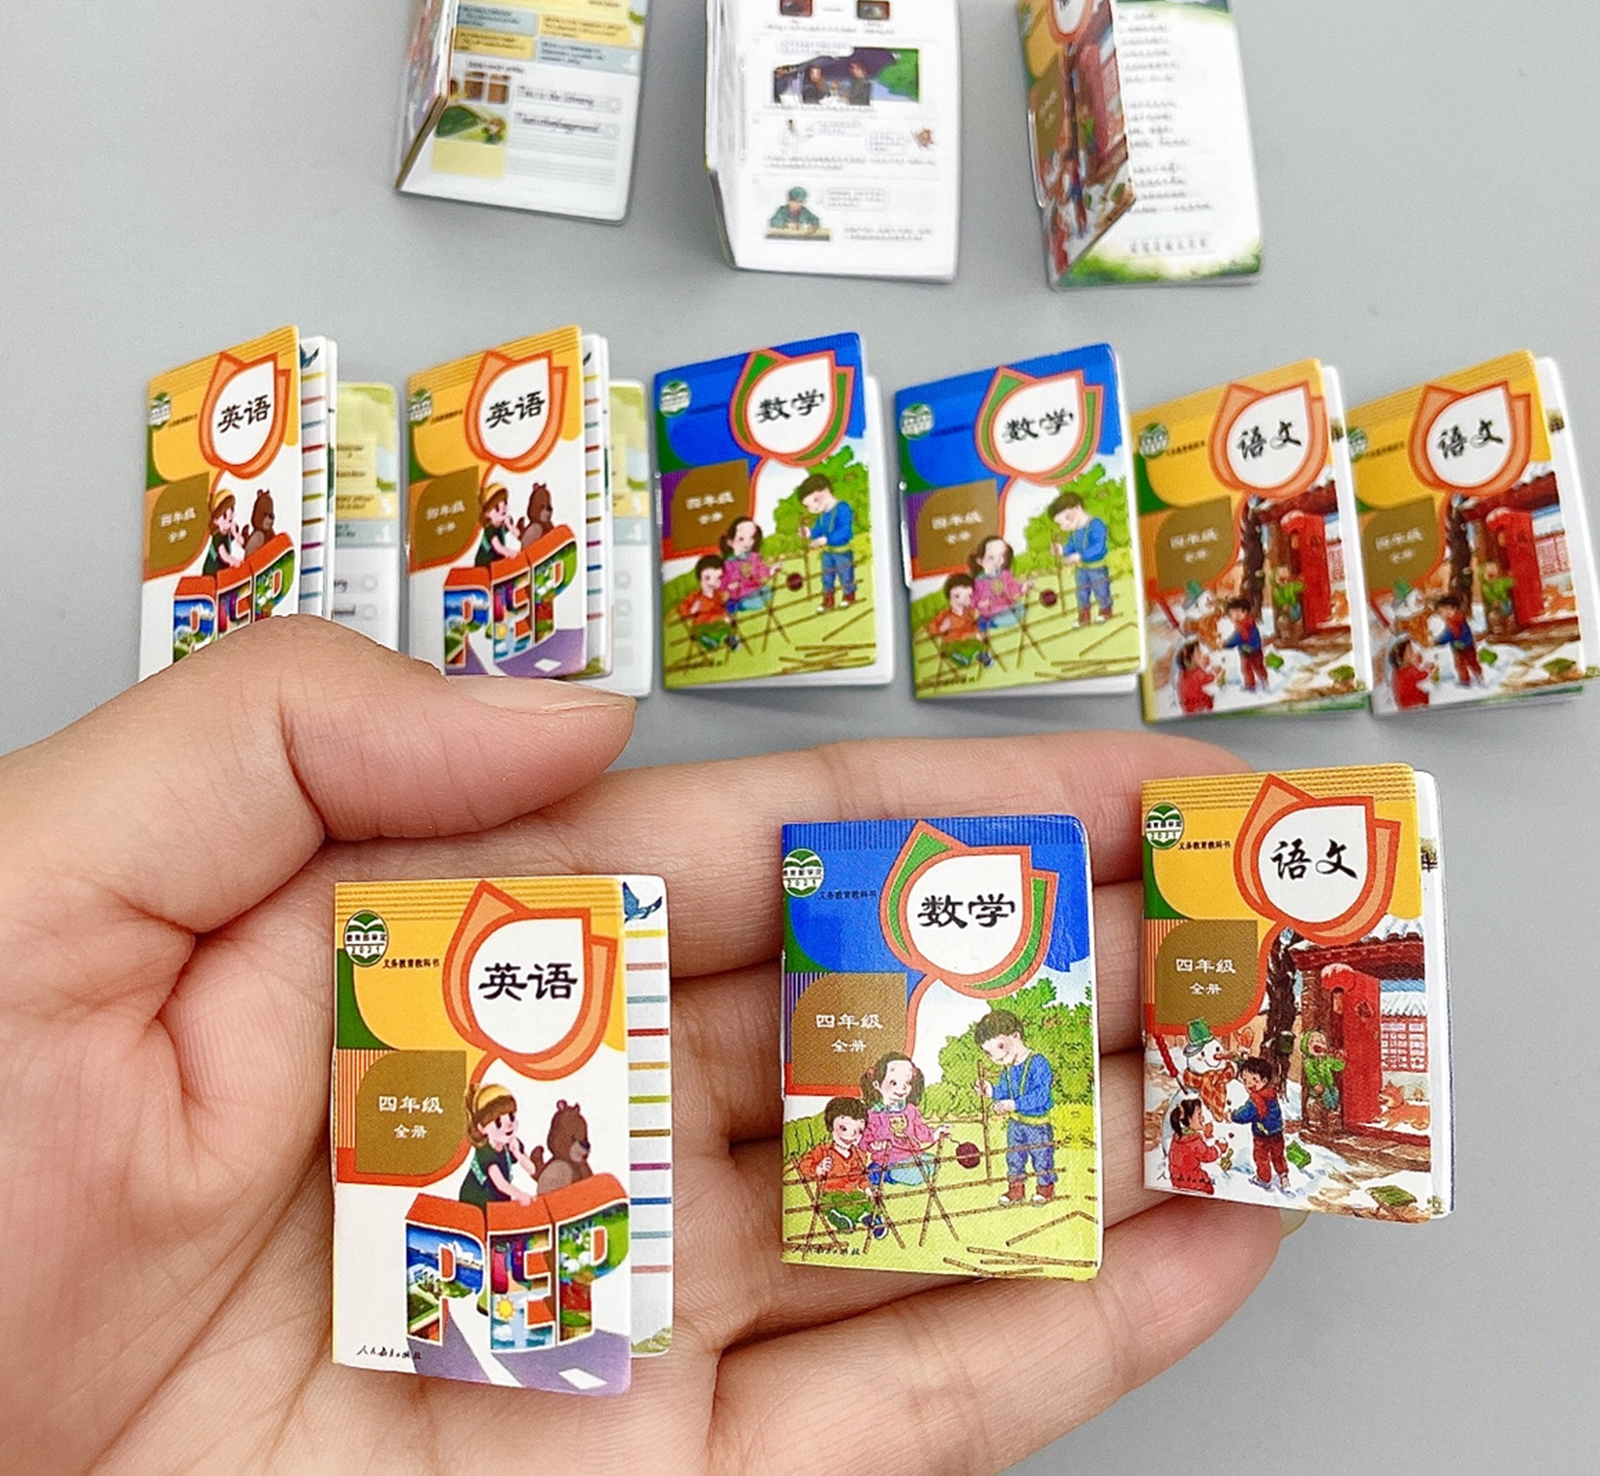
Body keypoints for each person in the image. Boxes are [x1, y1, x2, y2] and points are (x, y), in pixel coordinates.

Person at [0, 616, 1285, 1472]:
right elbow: (488, 1176)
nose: (504, 1121)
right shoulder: (485, 1146)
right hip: (480, 1270)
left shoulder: (955, 1075)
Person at [973, 1010, 1057, 1205]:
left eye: (1000, 1046)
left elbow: (1041, 1096)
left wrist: (1014, 1104)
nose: (997, 1056)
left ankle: (1045, 1190)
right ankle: (1016, 1191)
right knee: (1014, 1158)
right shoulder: (1008, 1069)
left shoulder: (1038, 1062)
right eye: (989, 1053)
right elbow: (1004, 1090)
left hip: (1037, 1125)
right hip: (1016, 1125)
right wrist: (991, 1091)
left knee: (1042, 1158)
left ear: (1015, 1036)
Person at [794, 1096, 885, 1236]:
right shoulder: (823, 1151)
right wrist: (817, 1169)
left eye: (859, 1131)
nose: (852, 1135)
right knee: (837, 1202)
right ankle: (839, 1218)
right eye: (844, 1128)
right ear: (831, 1127)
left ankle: (869, 1219)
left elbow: (861, 1176)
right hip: (830, 1193)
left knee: (866, 1202)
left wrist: (867, 1188)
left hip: (851, 1193)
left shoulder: (859, 1154)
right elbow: (803, 1165)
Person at [861, 1054, 948, 1185]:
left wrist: (936, 1133)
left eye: (907, 1083)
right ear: (877, 1085)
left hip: (912, 1155)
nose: (902, 1088)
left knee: (933, 1162)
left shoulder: (910, 1110)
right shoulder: (873, 1114)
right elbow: (863, 1137)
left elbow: (920, 1130)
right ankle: (883, 1174)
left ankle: (895, 1173)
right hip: (888, 1160)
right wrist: (872, 1145)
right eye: (894, 1083)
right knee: (918, 1173)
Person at [459, 1082, 535, 1208]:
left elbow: (532, 1169)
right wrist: (520, 1195)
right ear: (482, 1128)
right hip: (477, 1201)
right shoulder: (485, 1152)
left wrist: (518, 1154)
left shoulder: (511, 1143)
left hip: (499, 1197)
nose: (509, 1125)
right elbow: (500, 1183)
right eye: (498, 1122)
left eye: (511, 1117)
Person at [1048, 492, 1113, 624]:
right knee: (1081, 592)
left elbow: (1098, 546)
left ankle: (1105, 610)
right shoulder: (1075, 532)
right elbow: (1071, 546)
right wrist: (1061, 549)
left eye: (1067, 518)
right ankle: (1084, 616)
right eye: (1060, 524)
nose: (1065, 526)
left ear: (1077, 508)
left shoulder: (1095, 524)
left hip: (1097, 567)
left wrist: (1080, 555)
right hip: (1082, 569)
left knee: (1101, 590)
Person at [1232, 1056, 1292, 1194]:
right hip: (1277, 1133)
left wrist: (1233, 1115)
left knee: (1261, 1157)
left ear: (1264, 1081)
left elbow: (1244, 1115)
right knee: (1278, 1155)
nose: (1249, 1084)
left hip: (1261, 1136)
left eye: (1254, 1080)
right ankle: (1283, 1175)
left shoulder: (1255, 1100)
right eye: (1245, 1080)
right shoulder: (1271, 1094)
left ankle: (1264, 1179)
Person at [797, 472, 855, 611]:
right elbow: (818, 530)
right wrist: (809, 532)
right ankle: (828, 600)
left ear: (826, 491)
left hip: (842, 551)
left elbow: (845, 530)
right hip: (827, 554)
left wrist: (827, 539)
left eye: (815, 501)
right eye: (808, 506)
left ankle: (849, 596)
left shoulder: (842, 507)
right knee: (826, 577)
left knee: (845, 575)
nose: (813, 509)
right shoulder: (822, 516)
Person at [969, 535, 1031, 633]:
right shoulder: (979, 581)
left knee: (1022, 610)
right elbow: (973, 598)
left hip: (1008, 606)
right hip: (992, 612)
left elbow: (1013, 587)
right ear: (980, 561)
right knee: (1001, 618)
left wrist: (1023, 588)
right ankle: (989, 622)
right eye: (991, 557)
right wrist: (980, 603)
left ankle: (995, 622)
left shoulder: (1005, 574)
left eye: (1001, 556)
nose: (997, 561)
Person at [927, 573, 990, 668]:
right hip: (952, 641)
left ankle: (976, 656)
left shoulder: (970, 612)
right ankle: (960, 657)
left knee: (977, 644)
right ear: (954, 596)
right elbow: (931, 628)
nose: (969, 599)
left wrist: (976, 632)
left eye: (970, 595)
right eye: (966, 596)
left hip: (968, 639)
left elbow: (975, 624)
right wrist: (942, 628)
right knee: (951, 648)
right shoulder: (946, 615)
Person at [678, 554, 738, 651]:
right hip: (702, 624)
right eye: (717, 578)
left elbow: (721, 608)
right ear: (705, 578)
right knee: (701, 631)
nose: (719, 581)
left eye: (720, 577)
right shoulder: (696, 596)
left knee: (724, 627)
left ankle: (726, 639)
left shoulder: (718, 594)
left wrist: (725, 616)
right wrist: (692, 610)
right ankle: (707, 640)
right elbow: (682, 609)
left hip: (717, 621)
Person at [1167, 1098, 1222, 1196]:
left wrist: (1206, 1136)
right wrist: (1219, 1148)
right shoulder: (1193, 1141)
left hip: (1177, 1181)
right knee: (1209, 1188)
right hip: (1193, 1183)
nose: (1202, 1119)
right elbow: (1207, 1155)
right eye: (1199, 1115)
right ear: (1189, 1119)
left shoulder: (1179, 1137)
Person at [1432, 593, 1483, 686]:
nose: (1441, 615)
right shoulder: (1459, 618)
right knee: (1471, 662)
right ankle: (1477, 674)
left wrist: (1438, 641)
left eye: (1441, 612)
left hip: (1460, 646)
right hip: (1467, 644)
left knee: (1461, 664)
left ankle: (1466, 680)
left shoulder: (1454, 621)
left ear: (1450, 609)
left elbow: (1449, 634)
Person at [1222, 596, 1269, 692]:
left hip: (1249, 652)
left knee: (1250, 668)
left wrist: (1226, 644)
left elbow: (1236, 639)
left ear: (1241, 612)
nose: (1230, 617)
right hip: (1251, 651)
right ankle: (1258, 681)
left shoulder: (1244, 626)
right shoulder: (1247, 623)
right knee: (1253, 668)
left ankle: (1255, 683)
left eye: (1231, 614)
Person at [1388, 634, 1431, 709]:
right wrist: (1429, 670)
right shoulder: (1408, 670)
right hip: (1412, 700)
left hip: (1402, 701)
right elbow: (1422, 675)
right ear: (1401, 659)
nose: (1413, 653)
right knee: (1426, 695)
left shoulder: (1397, 671)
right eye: (1410, 652)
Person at [1175, 638, 1217, 714]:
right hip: (1201, 707)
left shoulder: (1183, 674)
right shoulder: (1197, 673)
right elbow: (1210, 678)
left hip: (1188, 708)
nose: (1201, 654)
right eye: (1198, 652)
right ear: (1189, 660)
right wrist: (1214, 672)